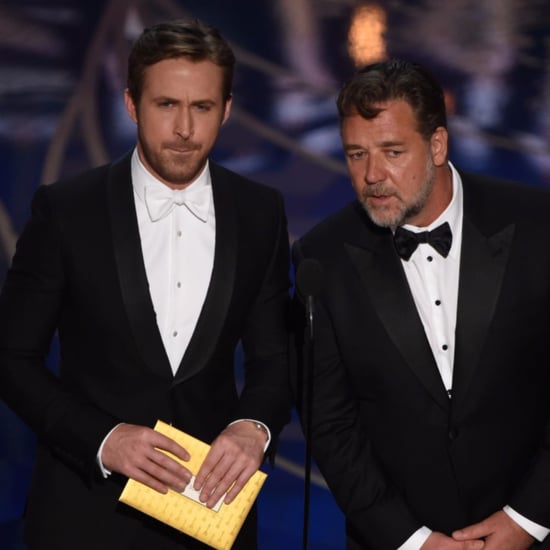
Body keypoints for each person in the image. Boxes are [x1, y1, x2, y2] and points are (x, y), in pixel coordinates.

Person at [0, 17, 291, 550]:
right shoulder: (67, 209)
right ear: (133, 104)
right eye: (166, 105)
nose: (184, 128)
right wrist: (103, 440)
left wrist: (255, 426)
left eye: (201, 107)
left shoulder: (260, 212)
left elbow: (275, 356)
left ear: (225, 111)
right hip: (83, 516)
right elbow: (12, 357)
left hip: (210, 518)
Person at [291, 58, 550, 550]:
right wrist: (412, 540)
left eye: (391, 151)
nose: (372, 175)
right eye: (356, 154)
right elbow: (330, 425)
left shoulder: (539, 227)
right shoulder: (321, 258)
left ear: (436, 144)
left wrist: (527, 520)